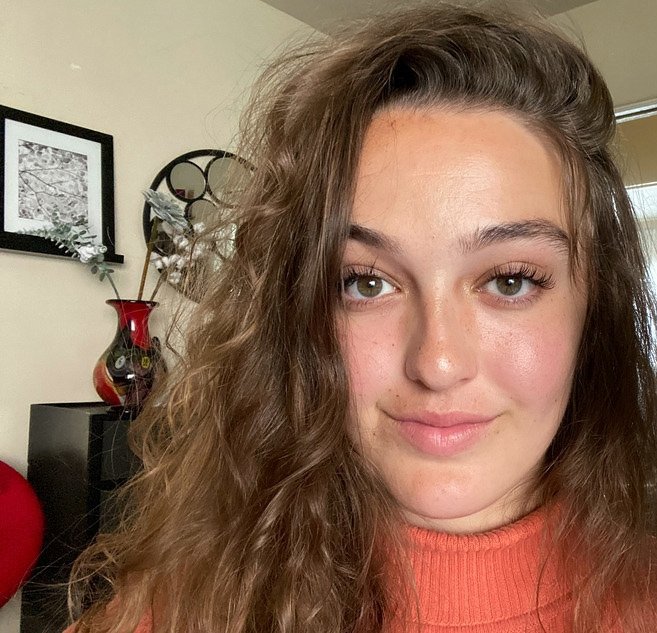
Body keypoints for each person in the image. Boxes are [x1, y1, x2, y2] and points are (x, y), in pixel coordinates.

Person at [67, 3, 657, 632]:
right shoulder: (176, 611)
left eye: (509, 281)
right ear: (297, 315)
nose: (438, 363)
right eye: (365, 283)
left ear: (592, 308)